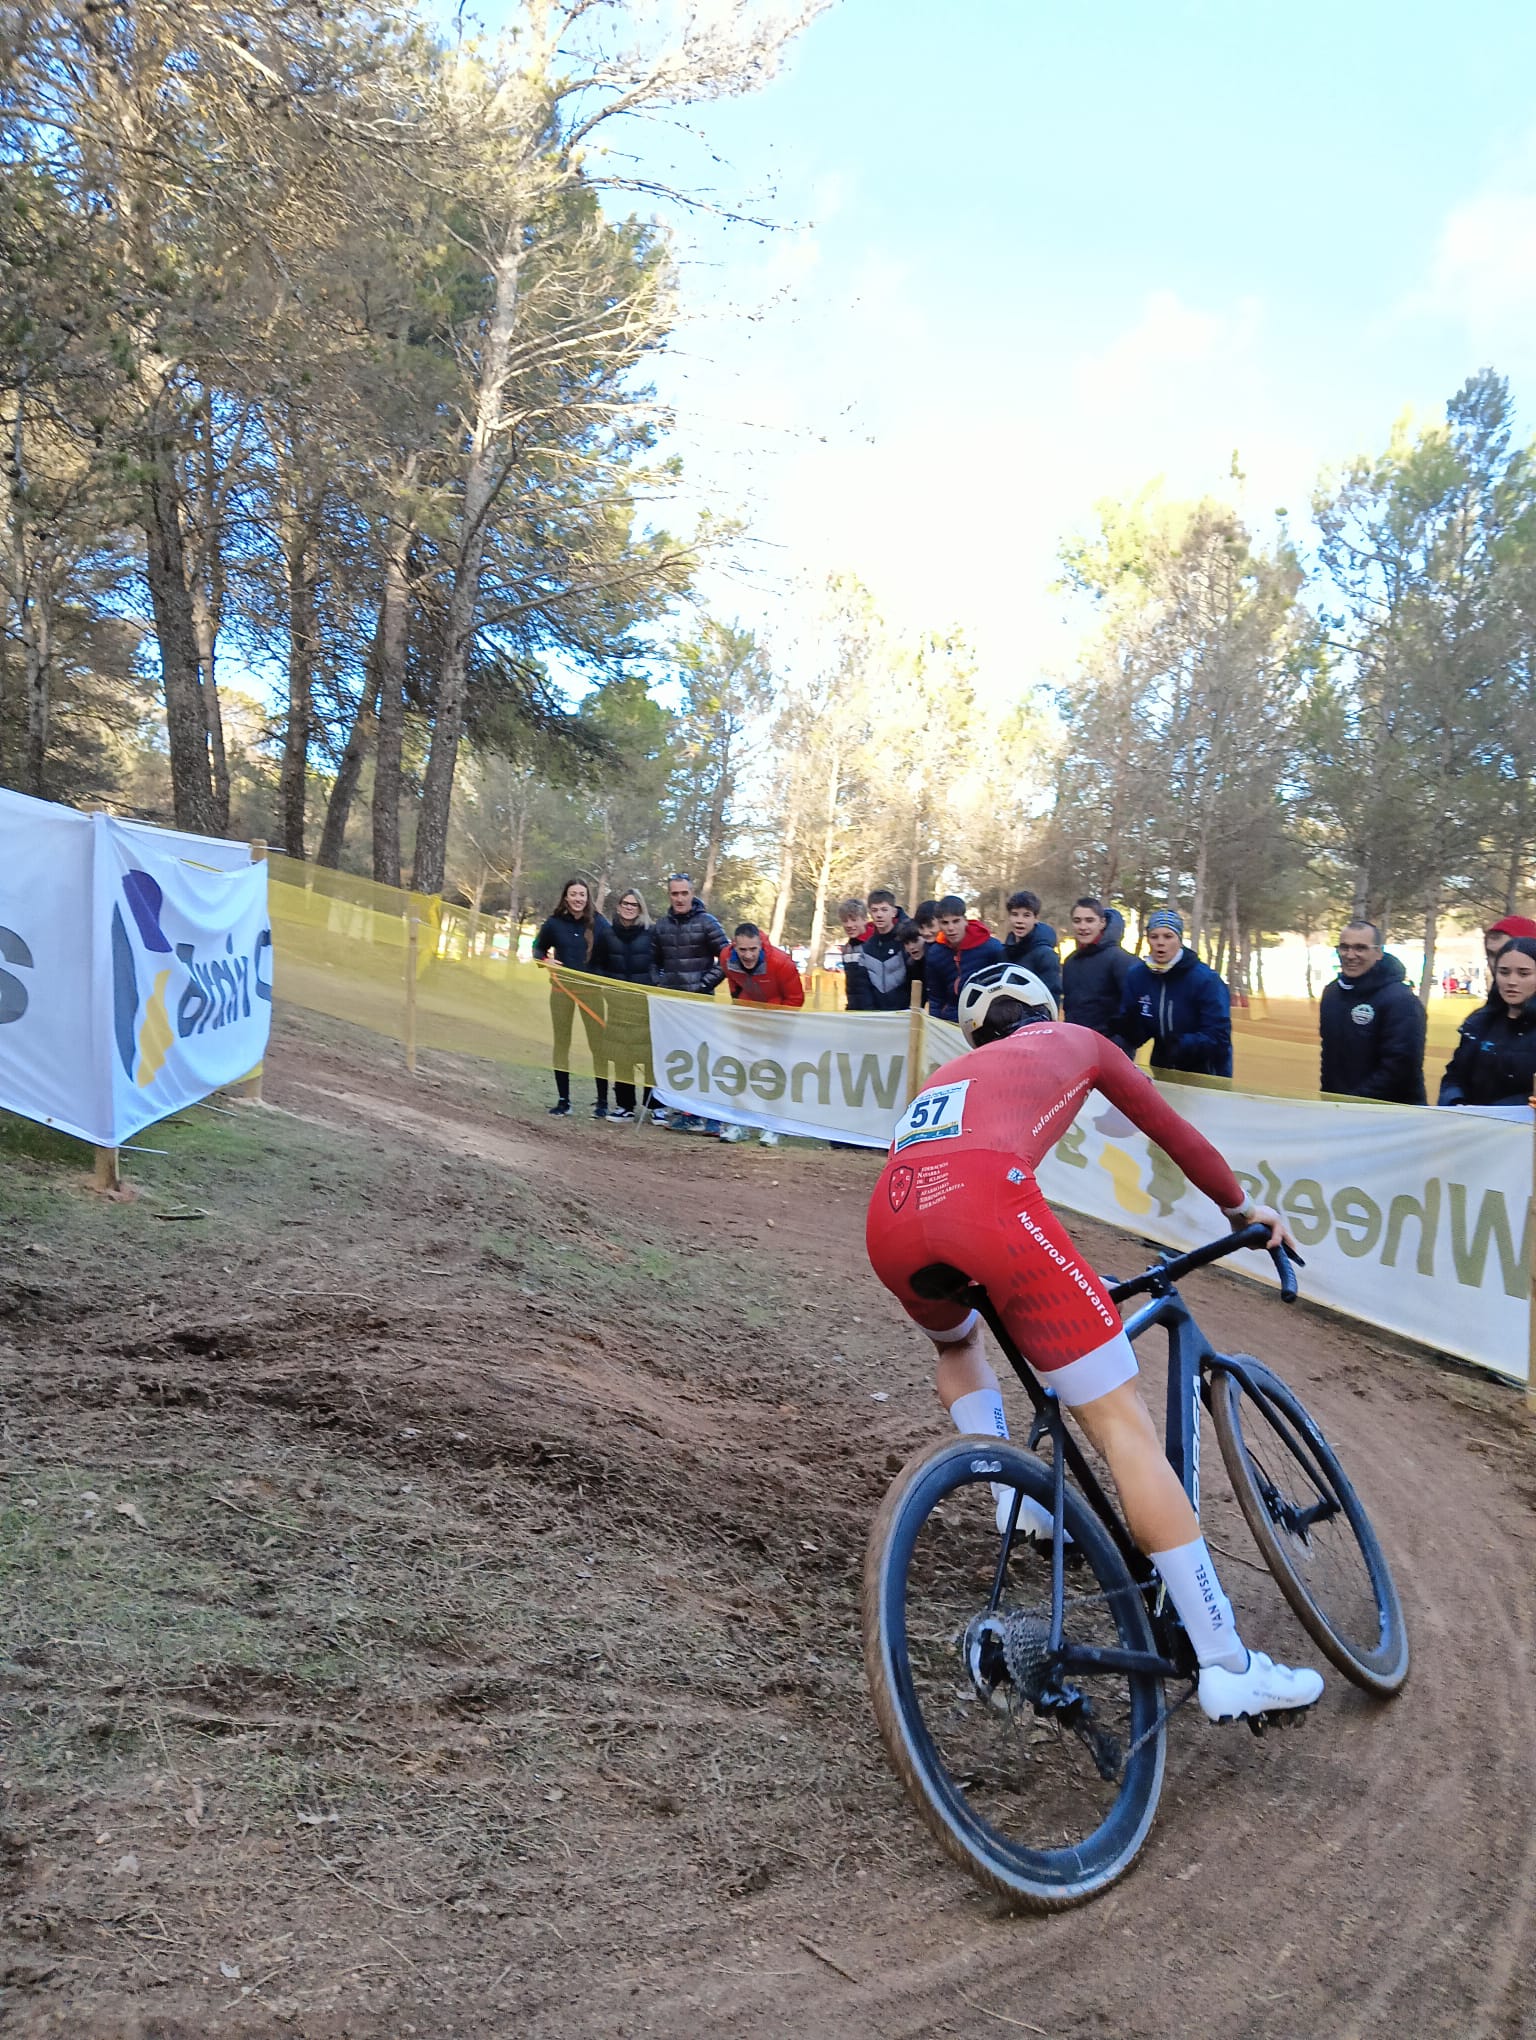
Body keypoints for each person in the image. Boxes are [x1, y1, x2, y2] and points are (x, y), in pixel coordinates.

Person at [865, 960, 1323, 1725]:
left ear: (974, 1033)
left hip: (892, 1218)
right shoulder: (1077, 1039)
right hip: (988, 1205)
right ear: (1049, 1009)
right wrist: (1243, 1207)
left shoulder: (947, 1074)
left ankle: (1019, 1502)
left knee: (959, 1344)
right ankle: (1227, 1664)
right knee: (1119, 1425)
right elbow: (1168, 1127)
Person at [1114, 909, 1233, 1078]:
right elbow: (1137, 1026)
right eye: (1154, 937)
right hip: (1161, 1067)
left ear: (1180, 939)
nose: (1160, 943)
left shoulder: (1206, 979)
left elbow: (1219, 1037)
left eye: (1168, 936)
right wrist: (1129, 1029)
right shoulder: (1137, 975)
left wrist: (1180, 1045)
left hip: (1206, 1071)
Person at [1318, 922, 1426, 1105]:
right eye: (1344, 947)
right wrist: (1329, 1100)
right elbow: (1329, 1058)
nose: (1350, 955)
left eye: (1360, 948)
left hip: (1391, 1116)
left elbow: (1400, 1067)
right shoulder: (1332, 993)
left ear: (1378, 953)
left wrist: (1354, 1103)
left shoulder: (1400, 1000)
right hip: (1341, 1111)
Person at [652, 874, 728, 1132]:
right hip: (672, 1005)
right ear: (669, 896)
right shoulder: (661, 926)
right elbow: (653, 961)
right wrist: (660, 981)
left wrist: (704, 984)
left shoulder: (708, 922)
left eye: (684, 893)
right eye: (675, 894)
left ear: (692, 893)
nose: (680, 898)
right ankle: (688, 1112)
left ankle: (712, 1115)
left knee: (704, 1059)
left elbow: (728, 957)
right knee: (680, 1059)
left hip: (700, 1004)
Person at [718, 923, 805, 1145]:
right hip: (748, 1022)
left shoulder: (781, 963)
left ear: (761, 946)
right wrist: (742, 1010)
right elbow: (734, 984)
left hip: (779, 1024)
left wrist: (775, 1023)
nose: (748, 955)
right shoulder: (726, 957)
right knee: (742, 1071)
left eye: (753, 949)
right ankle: (739, 1123)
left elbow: (796, 999)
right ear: (734, 946)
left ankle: (773, 1125)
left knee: (774, 1073)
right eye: (743, 950)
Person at [532, 878, 611, 1118]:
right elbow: (537, 948)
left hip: (592, 993)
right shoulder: (554, 923)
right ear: (566, 897)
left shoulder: (600, 923)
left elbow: (614, 948)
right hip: (561, 992)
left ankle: (602, 1102)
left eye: (582, 895)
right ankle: (563, 1100)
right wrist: (546, 960)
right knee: (561, 1044)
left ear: (588, 898)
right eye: (573, 894)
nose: (578, 899)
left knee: (598, 1047)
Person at [1437, 937, 1536, 1108]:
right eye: (1504, 972)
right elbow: (1455, 1075)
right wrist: (1456, 1102)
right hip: (1473, 1128)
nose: (1512, 981)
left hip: (1521, 1130)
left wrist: (1493, 1113)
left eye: (1523, 973)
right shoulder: (1479, 1023)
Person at [594, 887, 656, 1121]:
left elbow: (659, 962)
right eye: (625, 904)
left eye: (634, 905)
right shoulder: (607, 935)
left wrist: (654, 983)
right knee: (622, 1054)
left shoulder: (651, 933)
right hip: (618, 1003)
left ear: (640, 908)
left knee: (649, 1055)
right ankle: (624, 1105)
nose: (629, 908)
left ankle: (655, 1105)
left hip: (645, 1004)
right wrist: (607, 987)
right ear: (619, 907)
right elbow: (597, 965)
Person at [922, 895, 1005, 1024]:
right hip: (950, 1021)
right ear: (939, 924)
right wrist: (935, 1025)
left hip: (985, 1019)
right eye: (945, 923)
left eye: (956, 921)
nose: (950, 928)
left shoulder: (992, 948)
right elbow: (936, 998)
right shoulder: (935, 953)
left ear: (965, 920)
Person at [1061, 897, 1133, 1037]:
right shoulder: (1070, 962)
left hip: (1109, 1048)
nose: (1083, 927)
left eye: (1089, 920)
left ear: (1102, 923)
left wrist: (1120, 1043)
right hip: (1076, 1045)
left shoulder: (1120, 959)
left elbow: (1132, 1011)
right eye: (1077, 921)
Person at [846, 889, 915, 1012]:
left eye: (884, 910)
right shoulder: (867, 947)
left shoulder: (905, 943)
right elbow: (863, 987)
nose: (879, 915)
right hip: (875, 1019)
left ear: (893, 912)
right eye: (874, 910)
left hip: (903, 1017)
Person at [1001, 889, 1062, 1004]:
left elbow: (1052, 996)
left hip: (1035, 1019)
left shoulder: (1046, 955)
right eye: (1015, 914)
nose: (1019, 921)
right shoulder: (1003, 953)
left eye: (1026, 915)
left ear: (1036, 918)